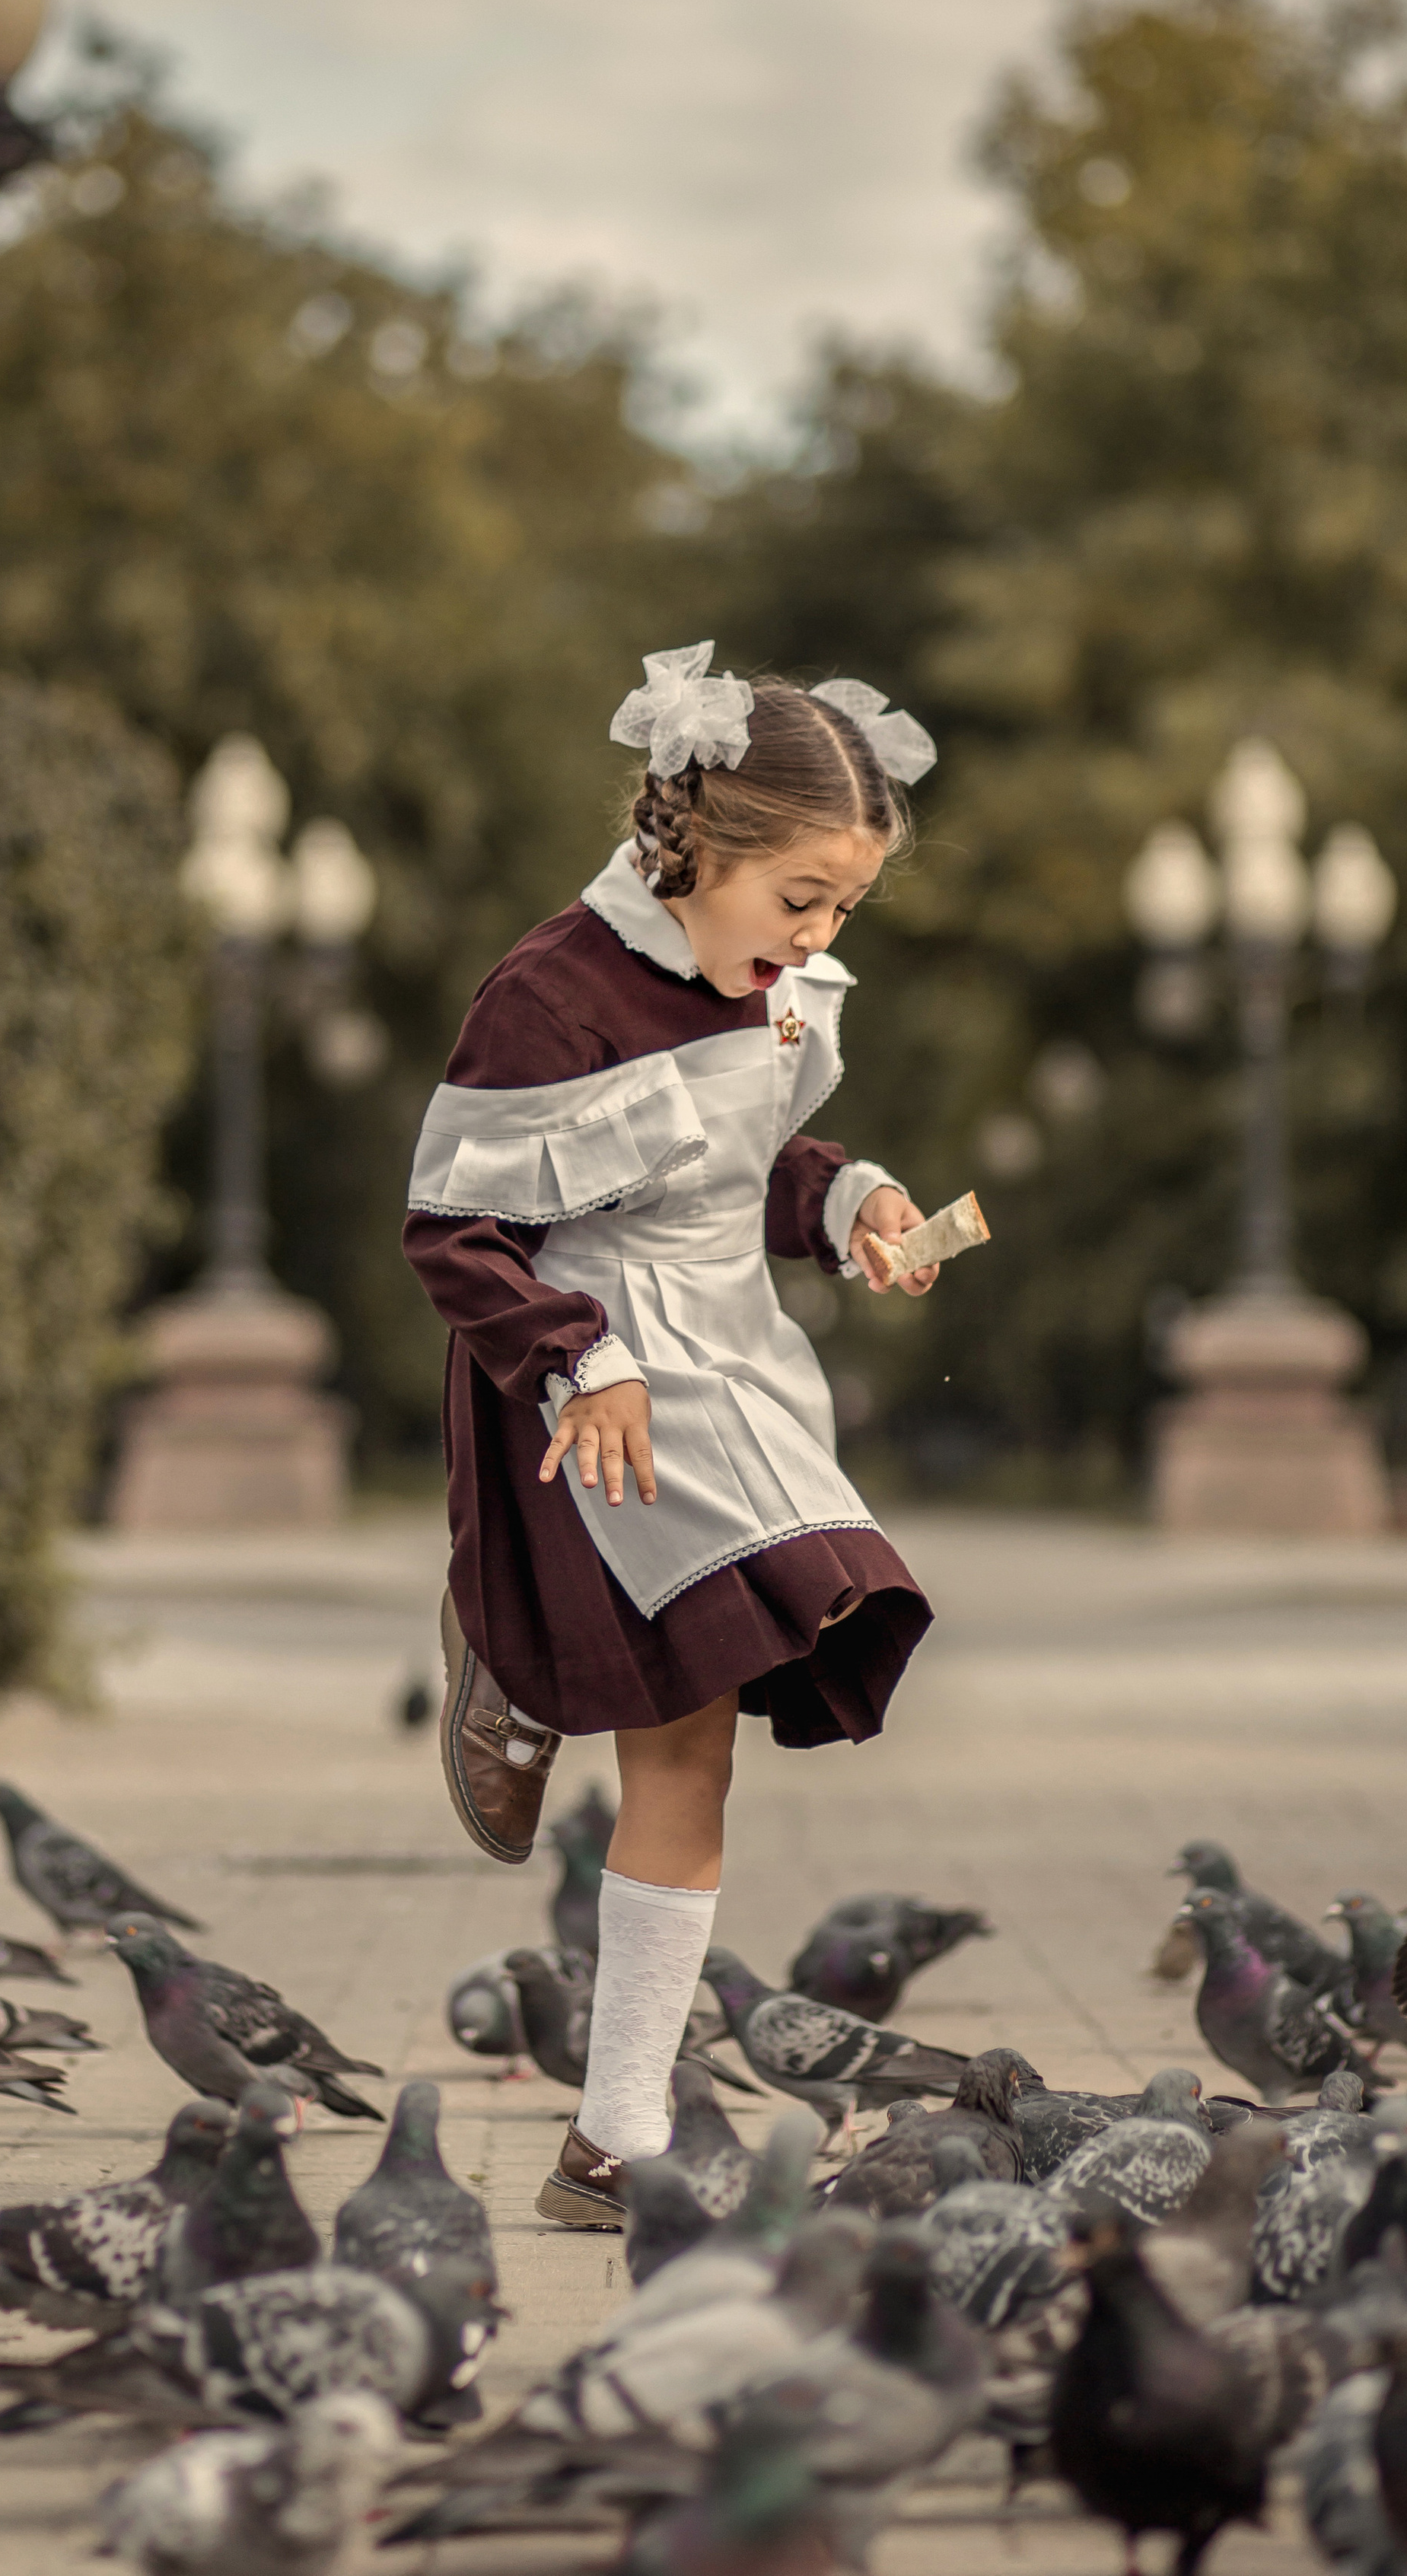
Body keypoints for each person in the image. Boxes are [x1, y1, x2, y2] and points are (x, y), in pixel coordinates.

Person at [403, 644, 944, 2227]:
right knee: (703, 1695)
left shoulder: (772, 980)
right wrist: (580, 1360)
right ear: (696, 843)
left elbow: (734, 1166)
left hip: (736, 1362)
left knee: (701, 1738)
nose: (816, 936)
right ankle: (505, 1624)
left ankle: (608, 2142)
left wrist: (848, 1204)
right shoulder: (547, 993)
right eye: (799, 897)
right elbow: (455, 1229)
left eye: (843, 907)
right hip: (590, 1383)